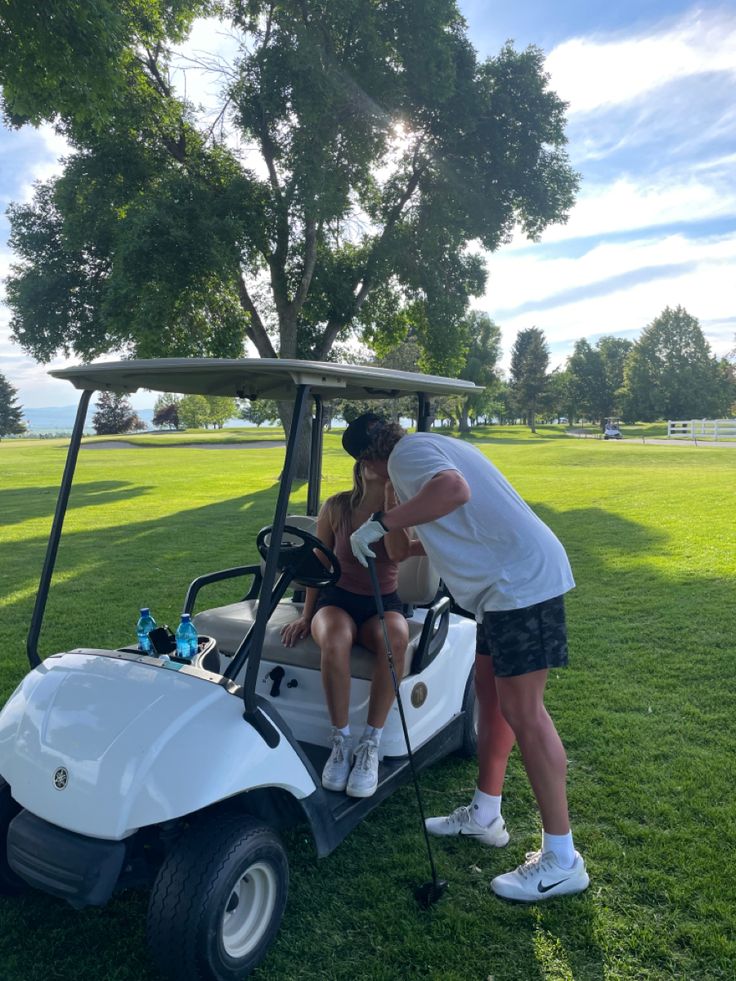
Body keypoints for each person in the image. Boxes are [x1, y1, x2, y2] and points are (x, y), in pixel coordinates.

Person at [344, 412, 589, 902]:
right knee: (490, 696)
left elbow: (455, 491)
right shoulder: (418, 457)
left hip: (521, 584)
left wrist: (381, 519)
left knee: (526, 713)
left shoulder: (411, 455)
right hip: (501, 591)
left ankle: (563, 860)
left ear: (367, 459)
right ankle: (485, 814)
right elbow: (406, 546)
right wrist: (386, 511)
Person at [281, 458, 411, 799]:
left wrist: (391, 505)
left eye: (385, 459)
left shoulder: (400, 510)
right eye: (370, 457)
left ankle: (370, 744)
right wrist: (307, 616)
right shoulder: (336, 507)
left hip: (383, 603)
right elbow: (318, 565)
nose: (376, 463)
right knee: (336, 639)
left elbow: (397, 554)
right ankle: (340, 742)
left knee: (396, 639)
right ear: (360, 464)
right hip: (335, 599)